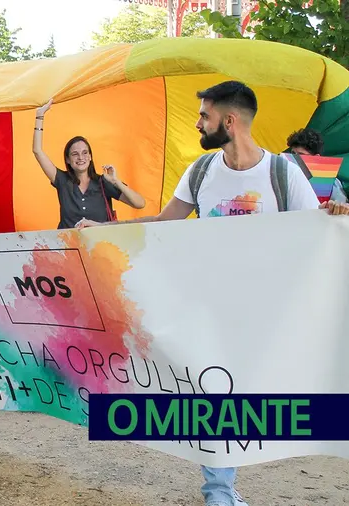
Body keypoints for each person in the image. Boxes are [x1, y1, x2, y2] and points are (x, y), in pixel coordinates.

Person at [78, 80, 349, 506]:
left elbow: (312, 233)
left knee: (254, 398)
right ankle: (219, 491)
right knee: (215, 393)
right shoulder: (201, 171)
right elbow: (165, 221)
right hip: (208, 307)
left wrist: (335, 216)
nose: (198, 123)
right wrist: (104, 230)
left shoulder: (282, 172)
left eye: (204, 115)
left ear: (229, 120)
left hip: (265, 312)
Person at [32, 99, 147, 229]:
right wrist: (40, 115)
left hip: (99, 246)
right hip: (68, 246)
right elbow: (37, 151)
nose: (81, 157)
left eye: (85, 152)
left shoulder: (104, 182)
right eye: (75, 154)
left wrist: (116, 182)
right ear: (68, 160)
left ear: (90, 157)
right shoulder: (62, 180)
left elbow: (140, 203)